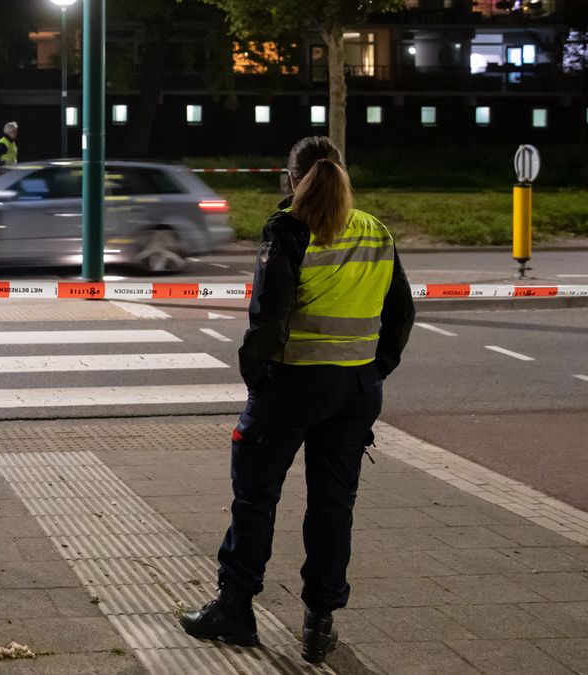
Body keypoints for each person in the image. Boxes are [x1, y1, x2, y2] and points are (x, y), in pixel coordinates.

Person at [179, 136, 415, 664]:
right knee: (334, 504)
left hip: (291, 386)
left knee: (256, 495)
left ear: (292, 179)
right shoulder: (376, 231)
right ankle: (319, 623)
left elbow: (268, 316)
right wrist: (374, 370)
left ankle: (236, 608)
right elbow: (401, 313)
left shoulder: (288, 229)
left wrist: (256, 379)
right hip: (355, 390)